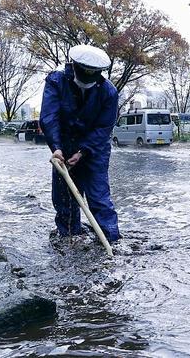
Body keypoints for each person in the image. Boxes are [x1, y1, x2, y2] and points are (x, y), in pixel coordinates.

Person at [40, 44, 120, 243]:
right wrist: (56, 148)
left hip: (95, 149)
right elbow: (49, 117)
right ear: (74, 66)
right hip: (64, 146)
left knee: (99, 196)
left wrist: (84, 151)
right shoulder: (56, 81)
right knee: (65, 198)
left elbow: (104, 128)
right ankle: (69, 238)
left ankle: (110, 240)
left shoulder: (109, 92)